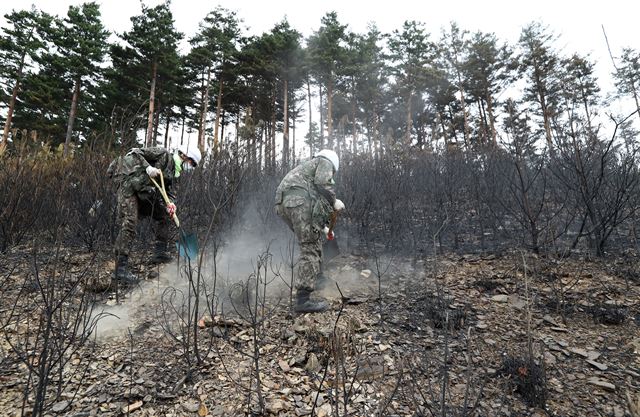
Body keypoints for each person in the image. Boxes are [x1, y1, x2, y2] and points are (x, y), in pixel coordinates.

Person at [107, 144, 202, 285]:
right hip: (127, 181)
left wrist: (171, 203)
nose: (191, 167)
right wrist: (148, 167)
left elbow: (170, 192)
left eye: (193, 165)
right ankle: (120, 270)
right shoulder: (163, 154)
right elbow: (135, 152)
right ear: (184, 156)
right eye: (192, 163)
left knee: (164, 215)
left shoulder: (175, 173)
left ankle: (159, 253)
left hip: (142, 190)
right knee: (130, 222)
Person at [275, 149, 345, 313]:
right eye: (332, 173)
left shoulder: (305, 170)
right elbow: (323, 183)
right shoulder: (325, 161)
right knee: (310, 247)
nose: (331, 175)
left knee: (312, 239)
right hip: (298, 202)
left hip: (283, 204)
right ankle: (303, 300)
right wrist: (334, 201)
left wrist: (324, 228)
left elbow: (315, 207)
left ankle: (318, 279)